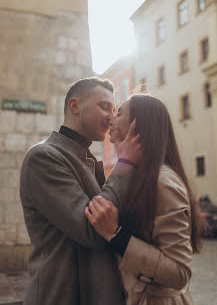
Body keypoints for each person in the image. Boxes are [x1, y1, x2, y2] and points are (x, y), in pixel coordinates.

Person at [20, 77, 143, 305]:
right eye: (104, 107)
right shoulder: (44, 157)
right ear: (74, 106)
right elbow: (92, 227)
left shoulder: (85, 158)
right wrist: (124, 165)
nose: (111, 116)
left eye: (114, 109)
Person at [86, 93, 206, 305]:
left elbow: (180, 273)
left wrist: (117, 236)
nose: (111, 120)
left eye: (119, 113)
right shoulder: (135, 175)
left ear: (138, 125)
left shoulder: (163, 182)